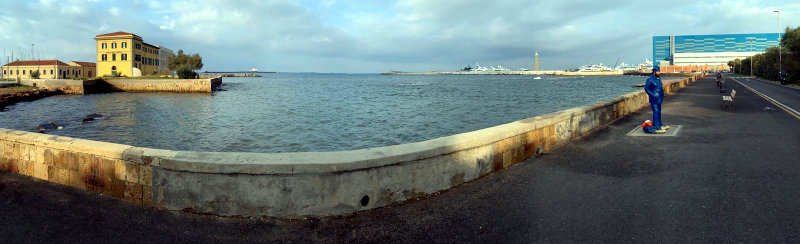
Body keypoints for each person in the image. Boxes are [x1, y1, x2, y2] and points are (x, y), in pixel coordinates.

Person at [645, 66, 668, 134]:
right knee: (656, 111)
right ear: (654, 72)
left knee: (659, 111)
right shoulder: (650, 79)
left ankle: (659, 124)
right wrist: (653, 95)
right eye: (658, 71)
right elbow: (647, 89)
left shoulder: (658, 78)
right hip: (654, 98)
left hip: (659, 98)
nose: (659, 72)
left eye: (659, 71)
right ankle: (656, 126)